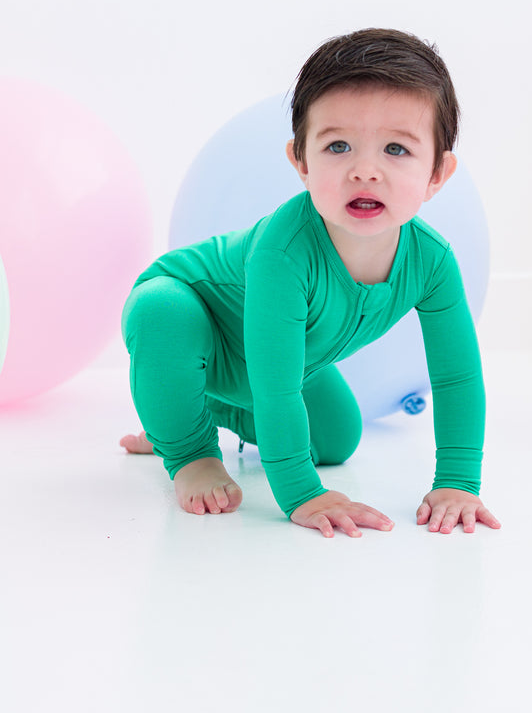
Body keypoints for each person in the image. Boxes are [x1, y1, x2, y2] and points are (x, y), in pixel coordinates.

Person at [118, 27, 500, 537]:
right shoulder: (284, 251)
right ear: (300, 160)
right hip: (200, 330)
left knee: (337, 438)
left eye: (396, 150)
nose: (365, 171)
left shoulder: (431, 262)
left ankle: (183, 410)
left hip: (282, 359)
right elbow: (275, 390)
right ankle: (186, 446)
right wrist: (302, 494)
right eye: (338, 146)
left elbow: (456, 377)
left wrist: (457, 482)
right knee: (162, 309)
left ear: (438, 174)